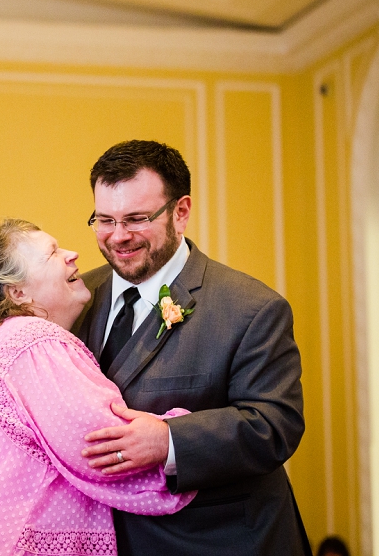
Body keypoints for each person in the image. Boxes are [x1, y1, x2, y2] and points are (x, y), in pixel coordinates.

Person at [0, 219, 195, 555]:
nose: (72, 254)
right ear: (18, 293)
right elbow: (100, 448)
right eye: (52, 253)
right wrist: (180, 436)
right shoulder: (32, 341)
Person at [74, 140, 310, 555]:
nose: (118, 236)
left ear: (180, 212)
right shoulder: (74, 297)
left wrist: (169, 441)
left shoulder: (252, 308)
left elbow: (275, 425)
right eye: (104, 220)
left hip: (219, 541)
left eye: (137, 218)